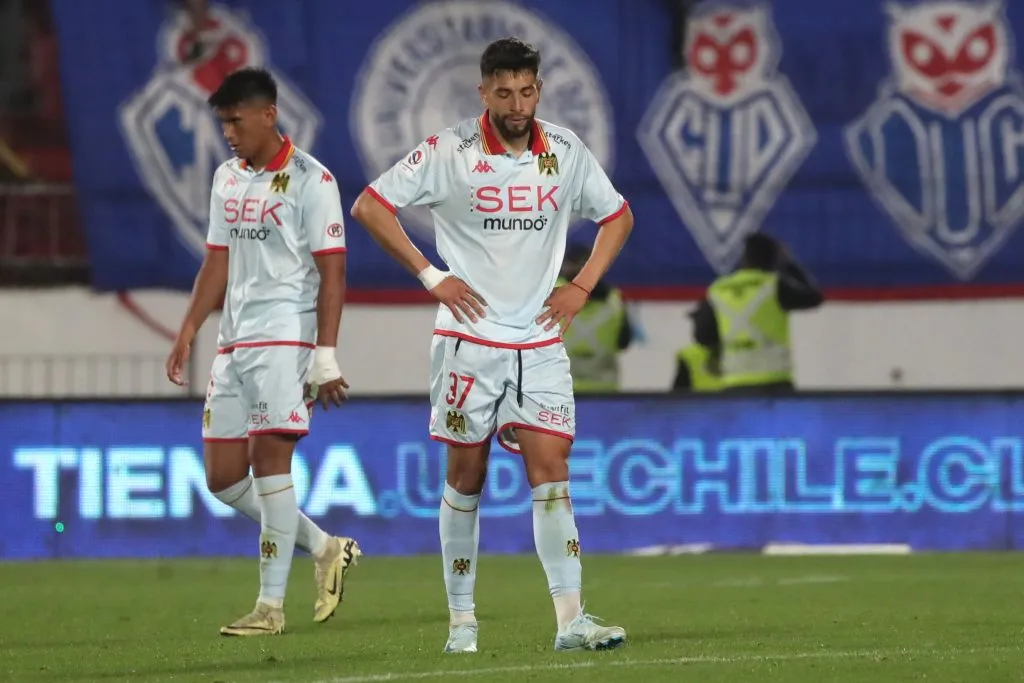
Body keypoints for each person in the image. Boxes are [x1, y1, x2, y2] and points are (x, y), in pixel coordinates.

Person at [350, 37, 633, 654]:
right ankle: (462, 623)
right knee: (466, 478)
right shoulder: (448, 149)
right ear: (483, 92)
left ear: (538, 89)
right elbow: (371, 206)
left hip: (539, 339)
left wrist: (582, 286)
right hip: (468, 341)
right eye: (504, 92)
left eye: (527, 90)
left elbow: (618, 216)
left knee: (552, 472)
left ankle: (570, 620)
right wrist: (431, 275)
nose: (517, 103)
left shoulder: (563, 150)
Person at [165, 67, 360, 636]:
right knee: (224, 478)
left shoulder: (312, 180)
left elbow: (334, 272)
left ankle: (269, 608)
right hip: (234, 339)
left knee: (271, 465)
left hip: (285, 336)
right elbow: (217, 260)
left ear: (268, 114)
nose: (228, 132)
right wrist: (188, 330)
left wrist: (325, 354)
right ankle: (325, 546)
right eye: (223, 122)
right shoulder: (226, 177)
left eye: (235, 120)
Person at [690, 232, 823, 393]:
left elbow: (703, 336)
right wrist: (789, 264)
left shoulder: (719, 290)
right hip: (775, 382)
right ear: (774, 259)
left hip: (735, 383)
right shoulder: (775, 286)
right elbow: (815, 298)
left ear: (744, 259)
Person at [557, 243, 634, 393]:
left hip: (558, 392)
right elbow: (624, 342)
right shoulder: (614, 301)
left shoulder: (549, 294)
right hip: (602, 393)